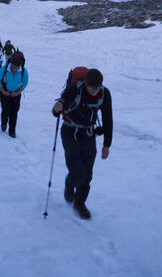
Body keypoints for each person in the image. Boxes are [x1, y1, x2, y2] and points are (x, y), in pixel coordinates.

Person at [52, 68, 112, 219]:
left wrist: (107, 145)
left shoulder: (105, 94)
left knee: (88, 174)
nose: (94, 90)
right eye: (92, 87)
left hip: (89, 135)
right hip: (70, 133)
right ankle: (69, 181)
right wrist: (57, 107)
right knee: (78, 173)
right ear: (85, 84)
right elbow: (56, 110)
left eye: (97, 87)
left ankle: (80, 203)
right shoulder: (74, 90)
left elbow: (107, 118)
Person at [0, 53, 28, 138]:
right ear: (11, 65)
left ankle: (12, 131)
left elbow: (25, 83)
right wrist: (3, 91)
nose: (15, 70)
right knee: (5, 110)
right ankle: (4, 123)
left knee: (14, 112)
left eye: (17, 68)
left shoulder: (23, 71)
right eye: (14, 67)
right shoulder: (5, 68)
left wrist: (17, 92)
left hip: (16, 95)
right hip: (5, 93)